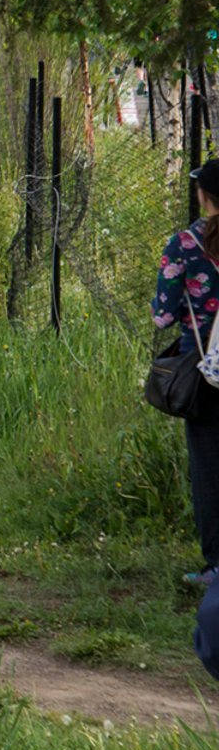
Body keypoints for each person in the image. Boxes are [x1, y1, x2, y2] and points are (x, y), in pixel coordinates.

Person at [153, 159, 219, 588]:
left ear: (203, 194)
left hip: (204, 370)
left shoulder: (184, 245)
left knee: (210, 470)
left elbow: (162, 314)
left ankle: (216, 567)